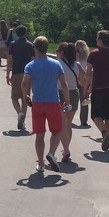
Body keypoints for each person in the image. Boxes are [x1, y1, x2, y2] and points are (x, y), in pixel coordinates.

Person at [21, 36, 68, 173]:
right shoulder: (56, 64)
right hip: (53, 102)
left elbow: (24, 83)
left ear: (35, 48)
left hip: (37, 103)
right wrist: (67, 100)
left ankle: (41, 163)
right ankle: (51, 153)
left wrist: (25, 96)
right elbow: (64, 84)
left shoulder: (30, 65)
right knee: (56, 131)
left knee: (39, 134)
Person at [86, 29, 109, 151]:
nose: (96, 40)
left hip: (98, 88)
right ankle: (108, 134)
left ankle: (104, 132)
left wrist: (86, 88)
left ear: (101, 41)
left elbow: (88, 73)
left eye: (97, 38)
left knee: (95, 115)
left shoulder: (93, 54)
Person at [54, 41, 83, 164]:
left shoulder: (58, 64)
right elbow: (82, 81)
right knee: (68, 125)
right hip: (74, 94)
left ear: (62, 53)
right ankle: (66, 148)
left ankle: (65, 150)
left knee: (62, 125)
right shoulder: (77, 65)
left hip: (61, 93)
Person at [6, 24, 35, 131]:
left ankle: (19, 113)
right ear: (25, 33)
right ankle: (22, 122)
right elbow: (33, 60)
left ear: (16, 33)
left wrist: (7, 74)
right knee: (25, 98)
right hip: (27, 74)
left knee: (14, 98)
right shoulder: (30, 45)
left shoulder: (13, 45)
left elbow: (10, 60)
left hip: (16, 72)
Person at [74, 39, 91, 126]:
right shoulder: (88, 55)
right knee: (84, 99)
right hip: (85, 79)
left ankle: (68, 115)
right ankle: (84, 120)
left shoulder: (74, 55)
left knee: (72, 98)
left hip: (75, 77)